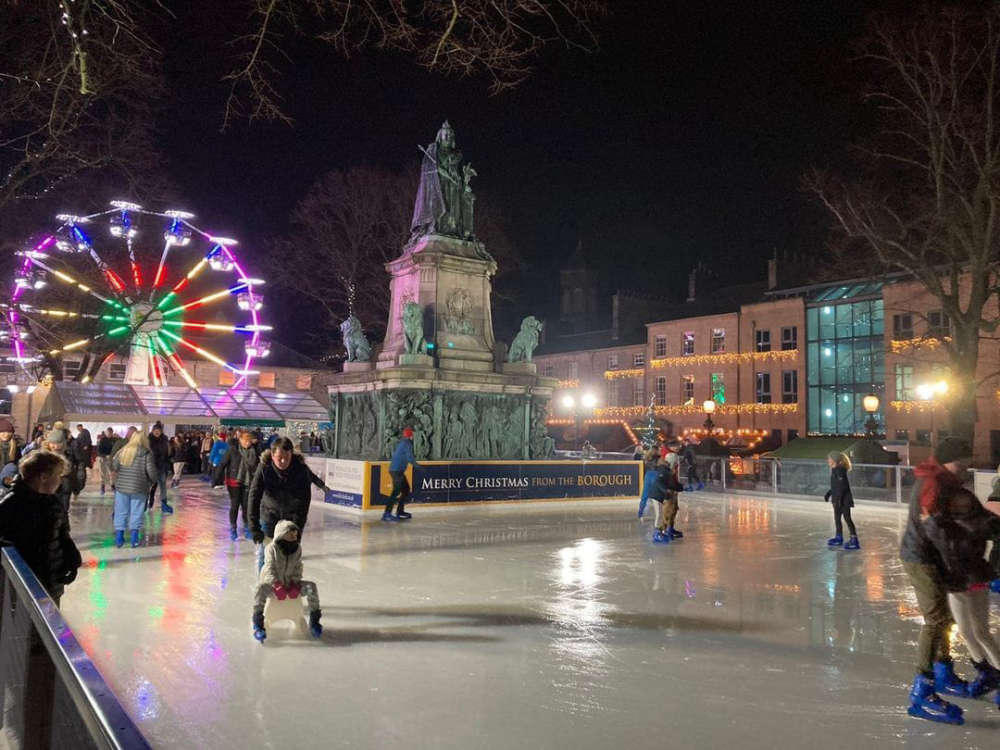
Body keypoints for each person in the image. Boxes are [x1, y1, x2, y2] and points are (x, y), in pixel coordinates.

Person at [901, 436, 975, 724]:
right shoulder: (934, 482)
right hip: (921, 557)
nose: (967, 468)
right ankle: (922, 691)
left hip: (933, 556)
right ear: (950, 460)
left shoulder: (944, 479)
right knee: (935, 620)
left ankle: (944, 671)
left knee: (945, 618)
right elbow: (933, 528)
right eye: (963, 462)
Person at [923, 481, 1000, 704]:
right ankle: (987, 672)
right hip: (961, 583)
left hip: (970, 583)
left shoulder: (971, 524)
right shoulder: (946, 524)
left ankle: (993, 672)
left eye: (965, 506)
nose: (961, 508)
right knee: (969, 631)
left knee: (979, 632)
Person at [0, 451, 81, 604]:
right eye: (57, 475)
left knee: (48, 620)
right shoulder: (12, 504)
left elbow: (63, 535)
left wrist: (72, 560)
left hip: (51, 581)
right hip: (21, 584)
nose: (60, 481)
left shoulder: (53, 503)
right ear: (43, 477)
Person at [249, 437, 328, 570]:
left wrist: (298, 528)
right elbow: (254, 495)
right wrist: (254, 527)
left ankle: (284, 587)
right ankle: (263, 586)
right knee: (266, 555)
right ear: (272, 455)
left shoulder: (301, 470)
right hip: (269, 517)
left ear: (291, 454)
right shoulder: (264, 468)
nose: (283, 461)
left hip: (291, 520)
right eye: (279, 457)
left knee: (288, 558)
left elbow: (304, 501)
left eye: (287, 457)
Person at [251, 520, 322, 642]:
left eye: (295, 535)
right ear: (282, 534)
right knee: (259, 589)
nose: (294, 537)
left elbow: (298, 567)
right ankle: (258, 624)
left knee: (311, 587)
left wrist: (295, 583)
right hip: (273, 586)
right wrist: (276, 585)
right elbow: (269, 569)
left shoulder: (297, 549)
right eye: (291, 535)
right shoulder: (271, 549)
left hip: (290, 584)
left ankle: (314, 621)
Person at [110, 431, 157, 548]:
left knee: (121, 511)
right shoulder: (146, 453)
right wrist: (152, 481)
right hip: (140, 487)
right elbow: (151, 472)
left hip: (122, 487)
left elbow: (114, 466)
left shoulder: (123, 451)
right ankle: (134, 539)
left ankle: (119, 538)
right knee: (137, 512)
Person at [213, 429, 259, 541]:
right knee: (235, 505)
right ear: (240, 440)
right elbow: (222, 464)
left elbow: (258, 468)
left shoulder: (254, 451)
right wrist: (216, 479)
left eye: (249, 441)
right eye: (245, 441)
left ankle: (247, 527)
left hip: (248, 482)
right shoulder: (232, 450)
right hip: (233, 481)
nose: (248, 443)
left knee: (246, 505)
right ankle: (233, 527)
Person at [384, 427, 420, 522]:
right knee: (395, 491)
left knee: (406, 490)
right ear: (411, 435)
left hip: (397, 470)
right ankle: (387, 514)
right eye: (413, 434)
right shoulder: (407, 443)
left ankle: (400, 511)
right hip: (397, 471)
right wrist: (417, 466)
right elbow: (409, 457)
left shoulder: (402, 442)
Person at [43, 429, 83, 514]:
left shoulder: (68, 455)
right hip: (48, 491)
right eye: (52, 443)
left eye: (57, 443)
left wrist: (77, 487)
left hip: (65, 489)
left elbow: (74, 473)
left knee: (63, 512)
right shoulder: (44, 456)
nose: (54, 446)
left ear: (62, 444)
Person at [825, 451, 859, 550]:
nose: (828, 461)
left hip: (844, 500)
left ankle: (854, 540)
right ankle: (839, 537)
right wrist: (829, 493)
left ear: (834, 460)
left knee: (847, 518)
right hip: (837, 499)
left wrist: (839, 499)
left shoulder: (840, 470)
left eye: (829, 459)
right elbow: (836, 486)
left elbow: (843, 487)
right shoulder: (835, 470)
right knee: (837, 519)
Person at [650, 453, 685, 543]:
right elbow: (658, 482)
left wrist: (681, 487)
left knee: (672, 511)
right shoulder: (663, 470)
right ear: (672, 461)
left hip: (665, 495)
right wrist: (665, 491)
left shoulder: (669, 470)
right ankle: (657, 533)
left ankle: (669, 529)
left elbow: (672, 483)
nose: (677, 464)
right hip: (658, 495)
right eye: (676, 462)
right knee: (661, 514)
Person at [146, 422, 173, 514]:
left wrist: (168, 462)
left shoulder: (165, 440)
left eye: (159, 431)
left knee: (162, 485)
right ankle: (146, 502)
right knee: (149, 486)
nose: (157, 432)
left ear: (161, 432)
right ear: (152, 431)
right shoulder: (148, 440)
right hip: (152, 466)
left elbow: (168, 452)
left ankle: (164, 504)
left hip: (162, 466)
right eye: (155, 431)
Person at [637, 447, 659, 519]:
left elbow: (642, 469)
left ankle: (640, 513)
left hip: (648, 475)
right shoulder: (659, 458)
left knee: (645, 495)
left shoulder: (645, 458)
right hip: (656, 475)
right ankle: (658, 515)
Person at [96, 427, 115, 494]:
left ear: (112, 433)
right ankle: (102, 487)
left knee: (112, 473)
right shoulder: (102, 440)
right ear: (106, 433)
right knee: (103, 473)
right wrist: (103, 455)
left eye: (110, 433)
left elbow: (116, 449)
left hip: (111, 458)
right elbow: (98, 450)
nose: (109, 434)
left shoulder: (114, 440)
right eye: (108, 433)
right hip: (103, 458)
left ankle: (113, 485)